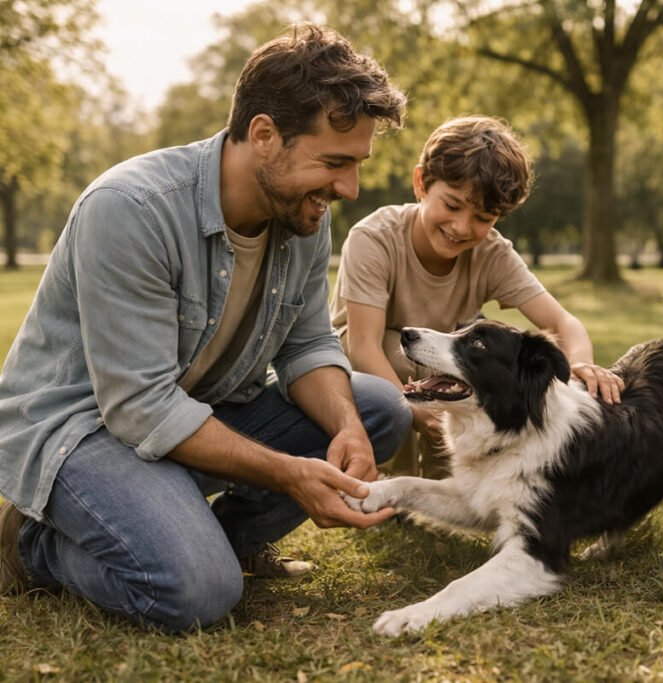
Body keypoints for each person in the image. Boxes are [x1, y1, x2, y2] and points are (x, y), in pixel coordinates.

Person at [0, 24, 412, 632]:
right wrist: (289, 474)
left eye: (356, 165)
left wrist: (347, 426)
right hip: (82, 432)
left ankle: (212, 541)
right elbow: (140, 406)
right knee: (198, 594)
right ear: (265, 135)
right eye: (334, 162)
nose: (348, 188)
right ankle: (30, 546)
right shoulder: (129, 208)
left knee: (378, 408)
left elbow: (307, 344)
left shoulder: (303, 212)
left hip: (195, 411)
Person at [330, 115, 623, 478]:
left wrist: (579, 365)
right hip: (362, 360)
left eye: (483, 217)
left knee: (464, 364)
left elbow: (563, 322)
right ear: (421, 182)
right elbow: (363, 347)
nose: (462, 227)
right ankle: (389, 472)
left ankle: (446, 474)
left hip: (438, 356)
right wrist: (416, 413)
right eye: (451, 206)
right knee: (408, 361)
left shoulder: (491, 254)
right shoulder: (374, 238)